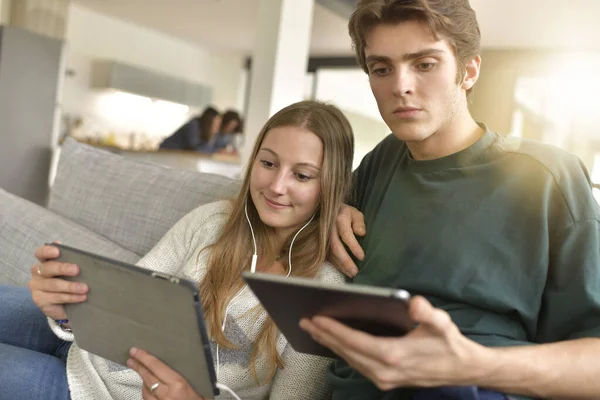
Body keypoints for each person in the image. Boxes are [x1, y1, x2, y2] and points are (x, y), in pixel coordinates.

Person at [299, 1, 600, 399]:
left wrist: (475, 365)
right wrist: (332, 207)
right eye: (381, 68)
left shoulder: (549, 177)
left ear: (469, 71)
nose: (400, 86)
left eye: (424, 64)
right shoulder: (381, 162)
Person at [0, 100, 355, 400]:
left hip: (92, 392)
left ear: (330, 184)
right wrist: (67, 311)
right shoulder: (213, 221)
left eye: (303, 176)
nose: (277, 186)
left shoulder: (321, 292)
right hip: (87, 346)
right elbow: (129, 298)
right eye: (268, 163)